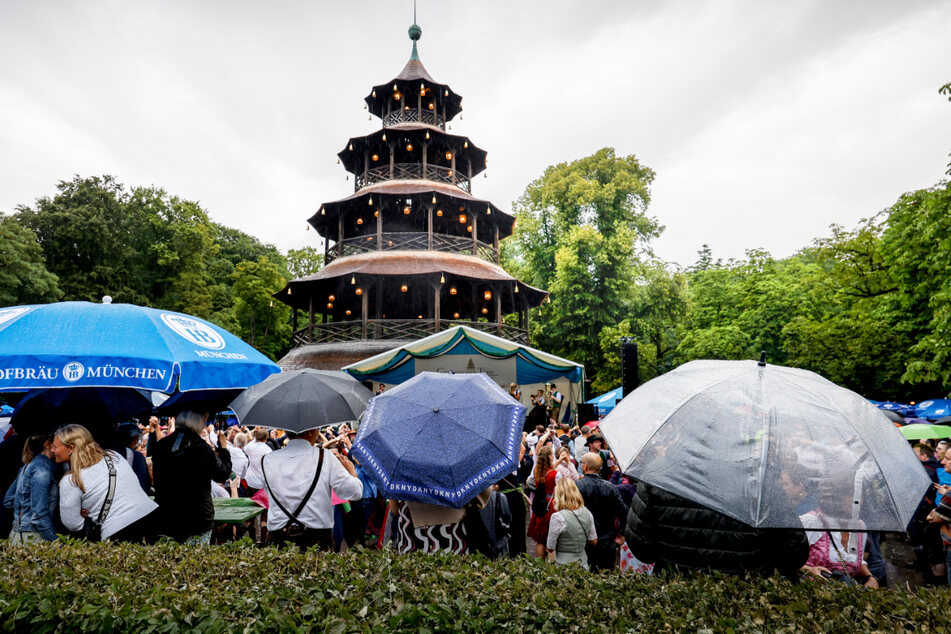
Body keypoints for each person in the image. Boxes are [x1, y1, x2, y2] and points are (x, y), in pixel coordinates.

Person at [626, 481, 809, 580]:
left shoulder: (656, 477)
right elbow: (794, 555)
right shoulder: (764, 484)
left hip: (674, 599)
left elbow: (643, 550)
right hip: (744, 601)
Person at [53, 424, 158, 542]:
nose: (52, 450)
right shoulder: (114, 456)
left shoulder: (71, 480)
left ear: (70, 448)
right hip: (152, 519)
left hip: (121, 533)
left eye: (55, 447)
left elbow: (73, 524)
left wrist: (85, 513)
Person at [262, 428, 363, 550]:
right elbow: (355, 492)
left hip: (278, 537)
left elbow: (269, 492)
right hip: (316, 539)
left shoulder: (267, 460)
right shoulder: (325, 457)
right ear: (311, 431)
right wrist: (351, 471)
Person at [151, 410, 232, 544]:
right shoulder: (201, 448)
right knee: (194, 561)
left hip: (166, 515)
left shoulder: (162, 445)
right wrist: (223, 449)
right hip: (197, 518)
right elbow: (222, 474)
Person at [575, 452, 628, 571]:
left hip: (584, 539)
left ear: (586, 466)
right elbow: (623, 511)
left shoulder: (577, 486)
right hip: (607, 539)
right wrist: (622, 534)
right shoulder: (610, 487)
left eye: (582, 463)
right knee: (605, 576)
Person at [9, 435, 59, 543]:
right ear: (47, 444)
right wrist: (58, 543)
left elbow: (9, 500)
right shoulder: (42, 469)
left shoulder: (27, 466)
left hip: (17, 534)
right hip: (32, 537)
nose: (56, 448)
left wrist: (25, 509)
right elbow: (39, 516)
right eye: (55, 444)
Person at [546, 478, 597, 567]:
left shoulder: (557, 517)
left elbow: (550, 547)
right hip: (583, 563)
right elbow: (593, 540)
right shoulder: (587, 512)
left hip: (563, 564)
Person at [526, 446, 557, 558]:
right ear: (549, 456)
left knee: (541, 540)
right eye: (552, 454)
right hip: (551, 504)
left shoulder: (536, 470)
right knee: (552, 541)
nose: (553, 456)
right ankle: (551, 568)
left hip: (539, 503)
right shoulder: (555, 473)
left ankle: (540, 564)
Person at [243, 427, 272, 495]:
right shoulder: (268, 450)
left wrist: (255, 438)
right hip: (261, 482)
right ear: (266, 438)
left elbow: (246, 449)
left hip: (250, 480)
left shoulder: (250, 447)